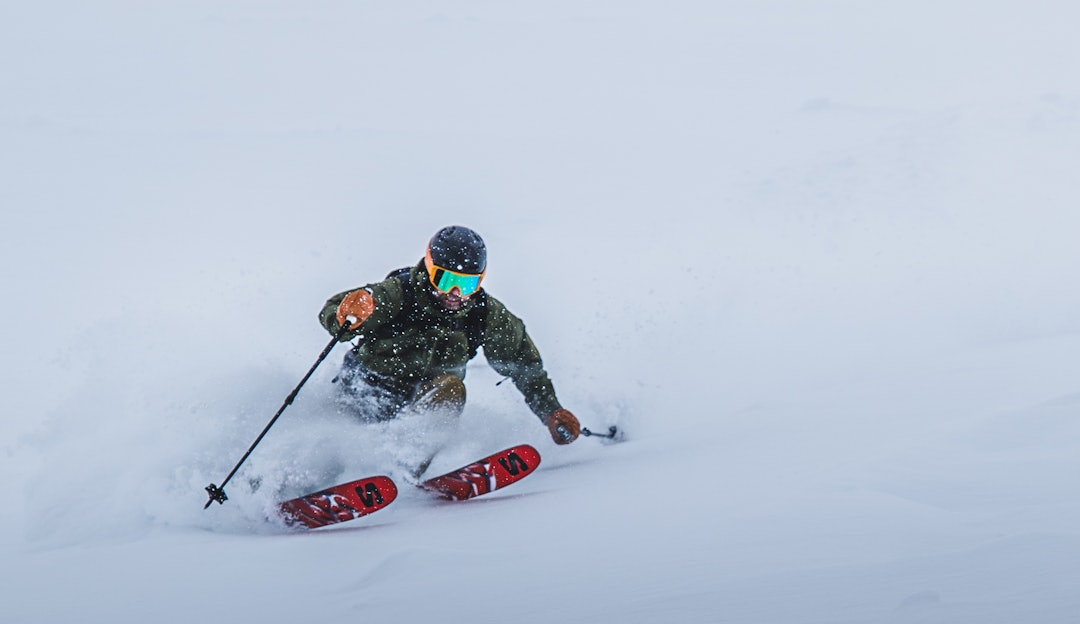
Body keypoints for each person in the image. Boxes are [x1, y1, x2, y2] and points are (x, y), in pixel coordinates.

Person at [318, 225, 581, 448]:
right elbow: (334, 311)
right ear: (430, 269)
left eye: (467, 285)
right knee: (337, 441)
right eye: (445, 281)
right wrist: (346, 316)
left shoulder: (484, 314)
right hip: (366, 391)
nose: (455, 293)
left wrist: (551, 411)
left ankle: (409, 463)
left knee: (451, 388)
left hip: (420, 401)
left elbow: (524, 365)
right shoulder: (399, 294)